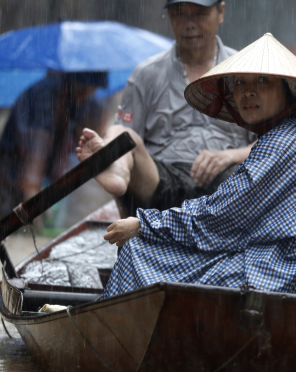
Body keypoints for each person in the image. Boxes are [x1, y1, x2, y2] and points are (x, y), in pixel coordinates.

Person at [96, 33, 296, 299]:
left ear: (290, 90)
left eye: (262, 80)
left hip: (282, 280)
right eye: (239, 82)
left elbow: (219, 218)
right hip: (294, 274)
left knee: (138, 251)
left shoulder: (282, 144)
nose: (248, 91)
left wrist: (143, 225)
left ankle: (110, 339)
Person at [76, 0, 256, 219]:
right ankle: (117, 170)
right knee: (120, 133)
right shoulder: (146, 74)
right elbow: (128, 136)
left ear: (220, 12)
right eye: (180, 15)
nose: (189, 24)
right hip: (160, 184)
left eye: (199, 15)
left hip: (228, 186)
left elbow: (274, 141)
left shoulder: (247, 73)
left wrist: (231, 156)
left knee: (261, 166)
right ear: (170, 17)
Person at [0, 71, 107, 223]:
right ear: (77, 83)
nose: (86, 96)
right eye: (84, 90)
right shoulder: (46, 95)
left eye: (91, 91)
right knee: (10, 225)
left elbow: (71, 148)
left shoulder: (80, 101)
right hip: (11, 171)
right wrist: (33, 203)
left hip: (41, 174)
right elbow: (34, 152)